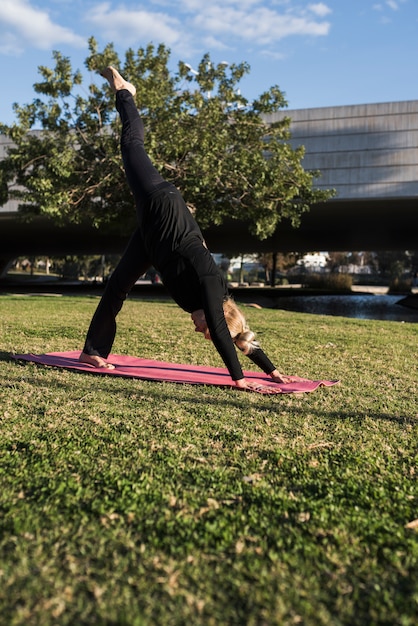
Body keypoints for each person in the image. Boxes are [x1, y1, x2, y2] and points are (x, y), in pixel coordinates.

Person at [79, 66, 292, 394]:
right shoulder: (211, 283)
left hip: (152, 241)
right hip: (161, 203)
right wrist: (239, 379)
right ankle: (125, 92)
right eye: (206, 329)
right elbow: (222, 332)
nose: (199, 331)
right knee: (132, 146)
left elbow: (236, 336)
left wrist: (271, 369)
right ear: (215, 314)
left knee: (117, 287)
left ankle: (92, 351)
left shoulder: (204, 305)